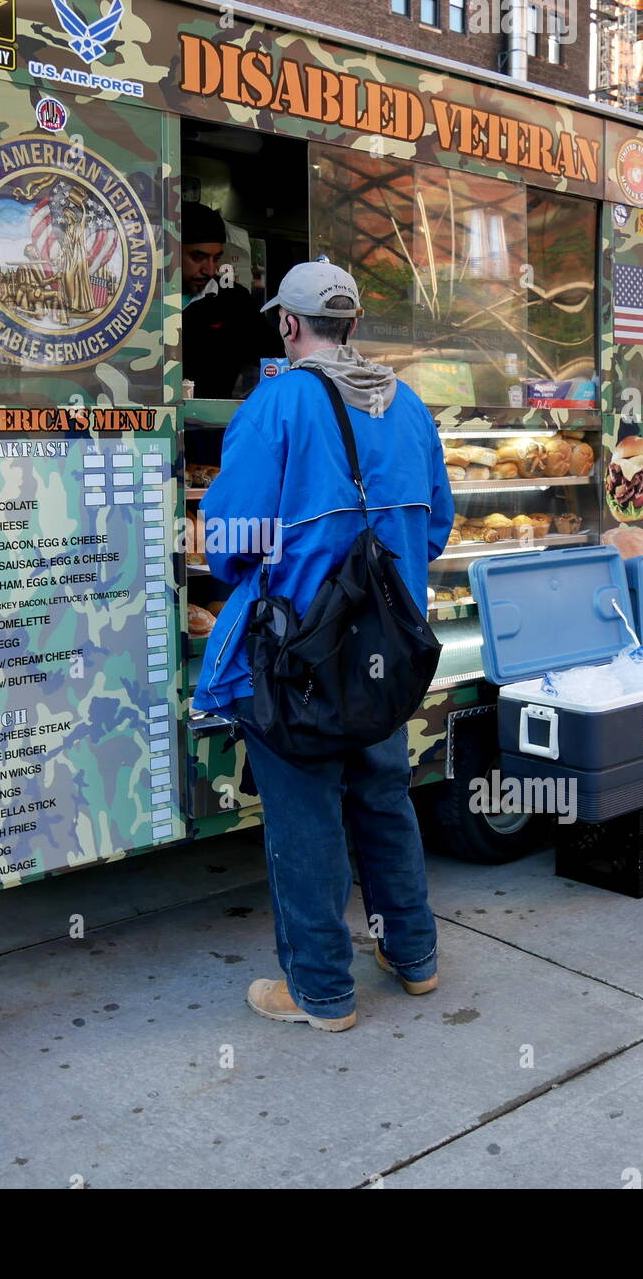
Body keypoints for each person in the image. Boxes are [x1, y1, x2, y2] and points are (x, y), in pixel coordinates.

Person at [192, 260, 454, 1032]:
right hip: (385, 656)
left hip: (298, 664)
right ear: (353, 323)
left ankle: (320, 992)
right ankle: (414, 959)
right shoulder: (408, 405)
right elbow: (433, 528)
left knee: (304, 819)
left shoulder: (274, 405)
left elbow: (233, 543)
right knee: (382, 796)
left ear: (287, 324)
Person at [181, 201, 283, 399]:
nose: (209, 270)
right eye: (198, 257)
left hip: (215, 425)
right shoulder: (143, 299)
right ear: (172, 251)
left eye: (216, 258)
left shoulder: (234, 302)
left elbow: (274, 356)